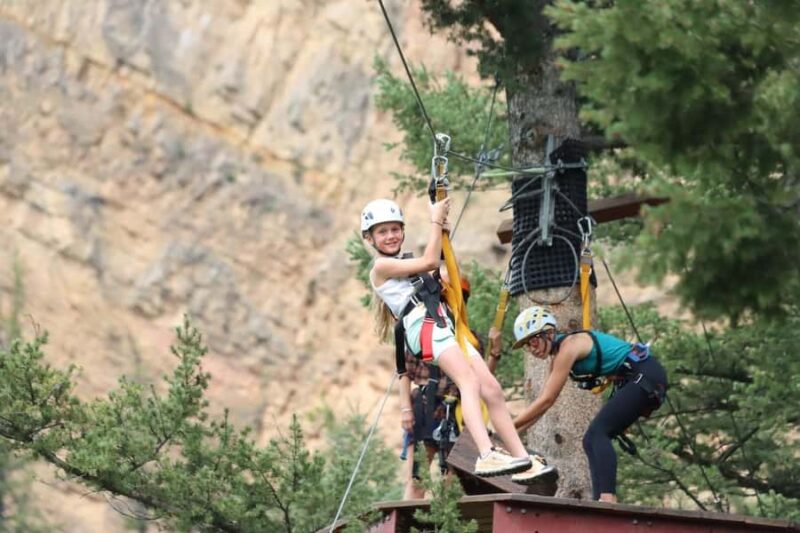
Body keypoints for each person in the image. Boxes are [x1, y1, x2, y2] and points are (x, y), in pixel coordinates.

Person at [361, 197, 535, 479]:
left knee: (491, 389)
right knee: (468, 381)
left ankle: (522, 458)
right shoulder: (380, 268)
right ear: (369, 238)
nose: (391, 236)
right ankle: (486, 454)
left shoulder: (407, 263)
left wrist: (441, 228)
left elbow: (437, 265)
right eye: (382, 231)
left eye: (395, 229)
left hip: (443, 323)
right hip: (424, 326)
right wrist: (434, 219)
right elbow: (430, 260)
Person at [510, 306, 668, 502]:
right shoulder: (558, 358)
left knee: (597, 434)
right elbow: (544, 406)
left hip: (643, 374)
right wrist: (513, 433)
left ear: (549, 333)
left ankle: (607, 499)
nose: (532, 349)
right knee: (590, 440)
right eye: (527, 345)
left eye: (533, 341)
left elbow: (546, 400)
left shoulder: (570, 345)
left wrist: (508, 427)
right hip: (638, 378)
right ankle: (600, 499)